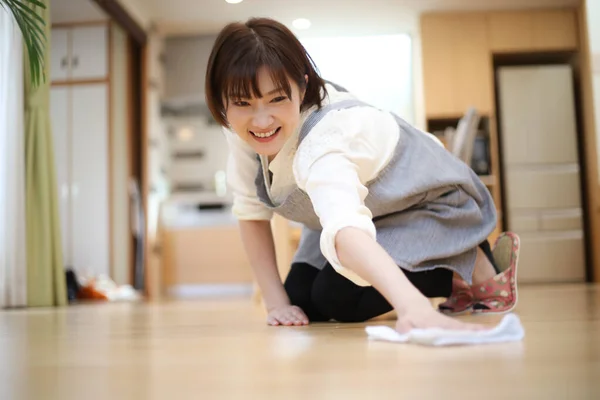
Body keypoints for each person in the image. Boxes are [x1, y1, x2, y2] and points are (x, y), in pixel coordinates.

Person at [204, 17, 520, 333]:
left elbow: (345, 229)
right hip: (373, 209)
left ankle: (468, 263)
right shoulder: (239, 127)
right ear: (223, 100)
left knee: (335, 298)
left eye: (276, 99)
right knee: (300, 300)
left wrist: (412, 308)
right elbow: (251, 210)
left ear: (301, 87)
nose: (261, 120)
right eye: (244, 102)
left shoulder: (325, 138)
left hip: (427, 206)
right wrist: (276, 303)